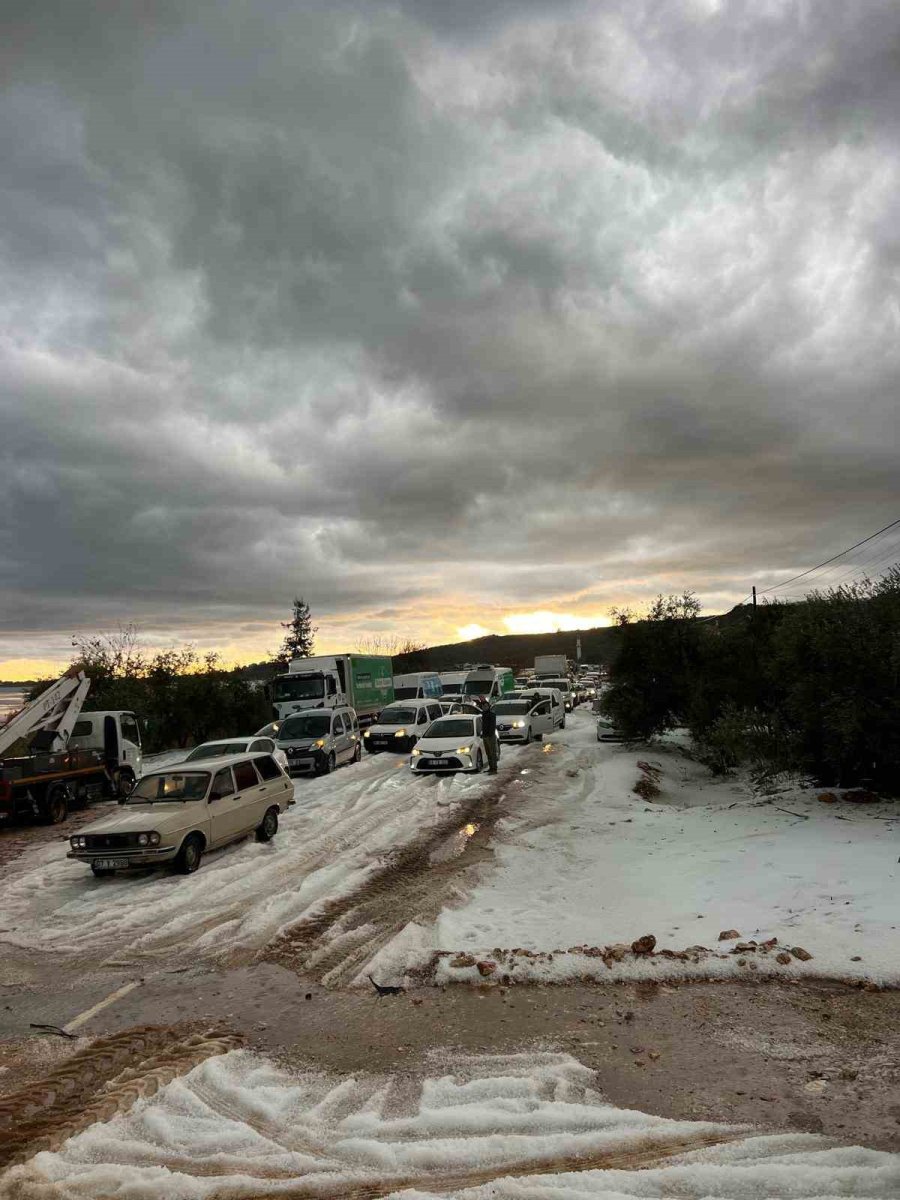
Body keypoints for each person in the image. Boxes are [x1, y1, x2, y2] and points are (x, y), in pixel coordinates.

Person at [479, 695, 499, 774]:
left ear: (489, 706)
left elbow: (492, 726)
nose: (484, 707)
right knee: (488, 753)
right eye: (483, 706)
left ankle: (494, 768)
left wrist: (489, 734)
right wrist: (483, 734)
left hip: (490, 736)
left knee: (492, 752)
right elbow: (483, 726)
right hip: (485, 736)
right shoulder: (483, 715)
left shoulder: (492, 715)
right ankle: (491, 767)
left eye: (486, 706)